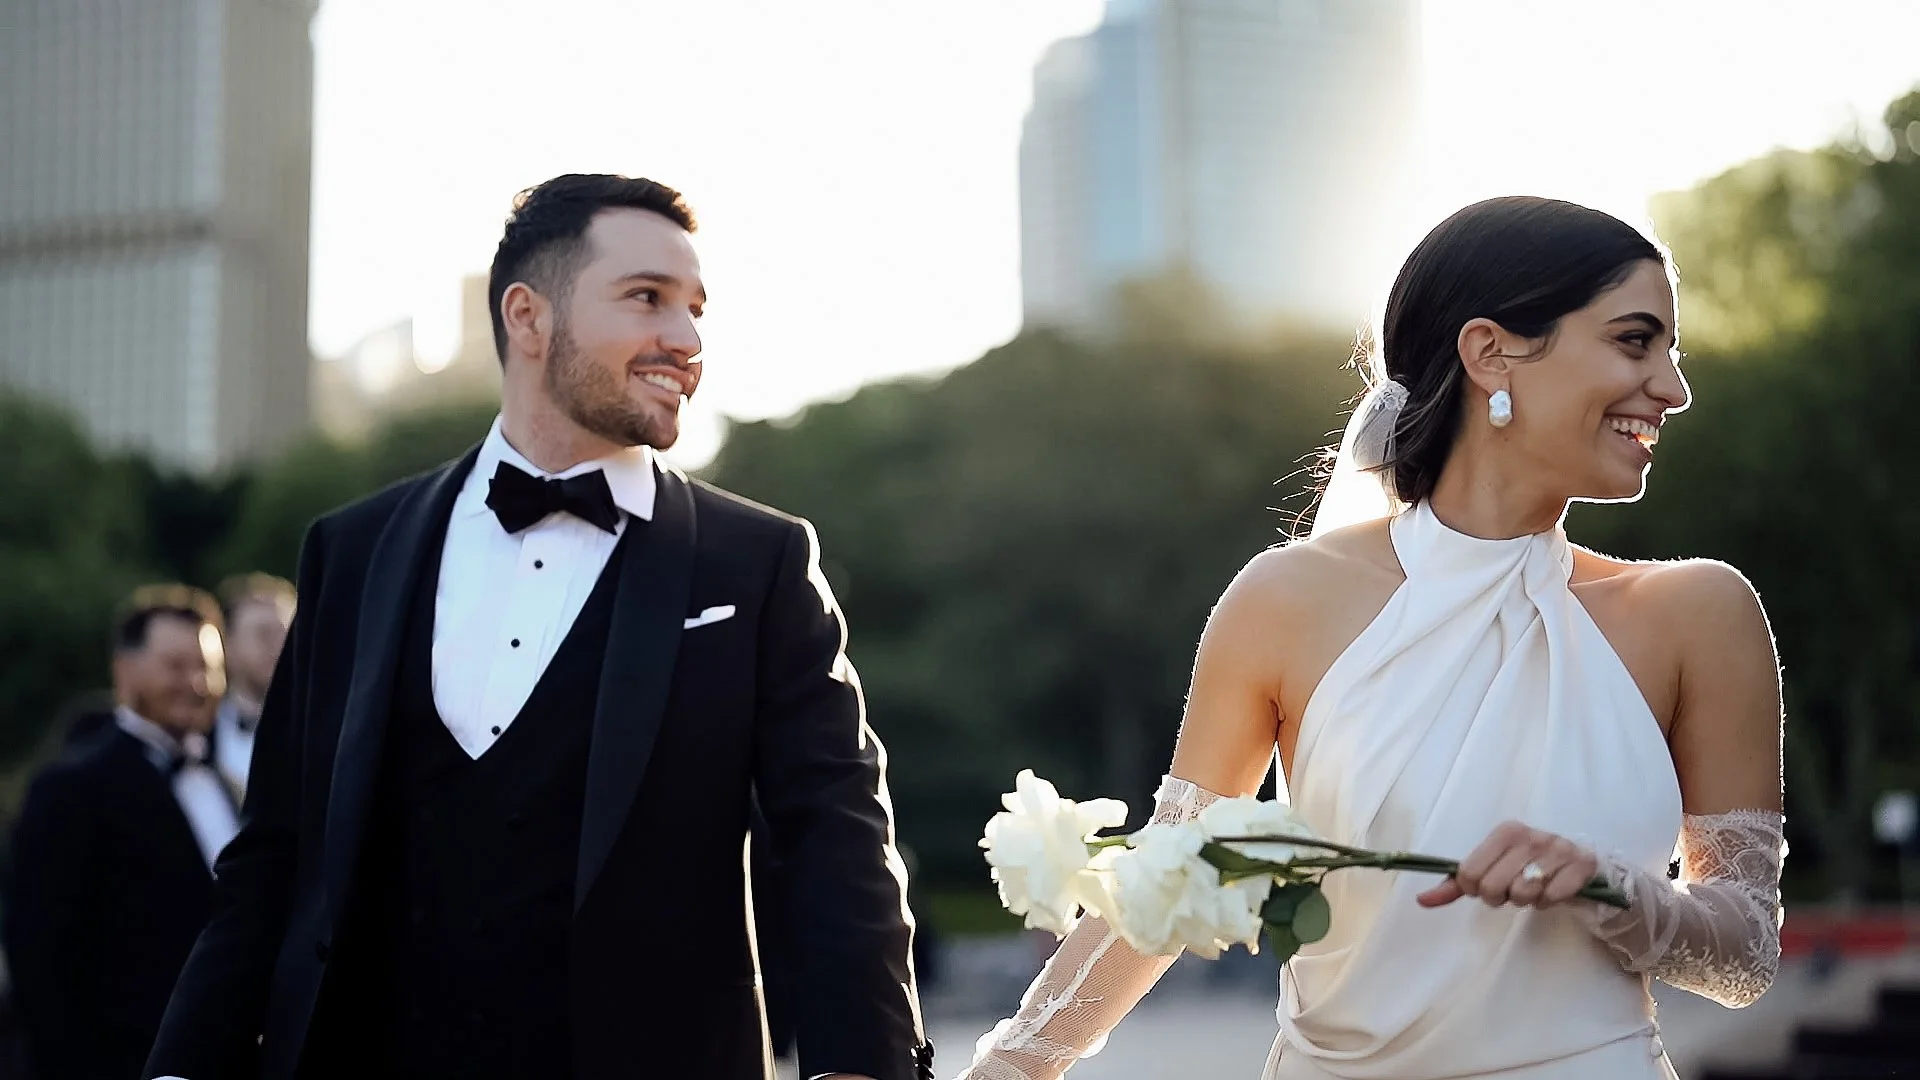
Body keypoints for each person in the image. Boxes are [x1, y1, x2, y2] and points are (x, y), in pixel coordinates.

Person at [958, 196, 1786, 1080]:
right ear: (1490, 352)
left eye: (1671, 350)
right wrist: (1014, 1065)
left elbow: (1745, 954)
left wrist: (1615, 890)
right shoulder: (1282, 601)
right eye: (1635, 340)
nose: (1673, 387)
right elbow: (1169, 876)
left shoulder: (1701, 614)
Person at [146, 174, 932, 1080]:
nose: (686, 340)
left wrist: (865, 1066)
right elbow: (275, 850)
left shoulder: (757, 564)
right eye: (647, 298)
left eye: (696, 310)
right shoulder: (352, 552)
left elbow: (838, 838)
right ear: (529, 318)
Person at [5, 586, 237, 1080]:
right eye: (175, 665)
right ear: (123, 670)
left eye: (208, 667)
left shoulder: (230, 786)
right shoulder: (70, 788)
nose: (196, 682)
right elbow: (38, 957)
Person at [209, 573, 296, 801]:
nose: (278, 647)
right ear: (227, 645)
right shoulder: (198, 735)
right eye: (263, 634)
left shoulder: (327, 726)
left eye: (285, 634)